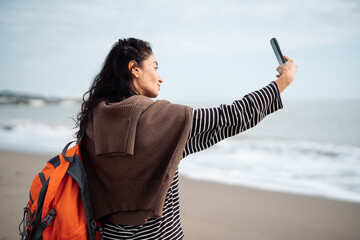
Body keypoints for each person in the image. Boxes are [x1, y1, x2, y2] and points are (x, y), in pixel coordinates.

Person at [76, 38, 297, 240]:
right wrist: (282, 82)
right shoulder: (163, 121)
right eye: (155, 67)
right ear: (134, 69)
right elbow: (232, 117)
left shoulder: (92, 123)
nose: (160, 77)